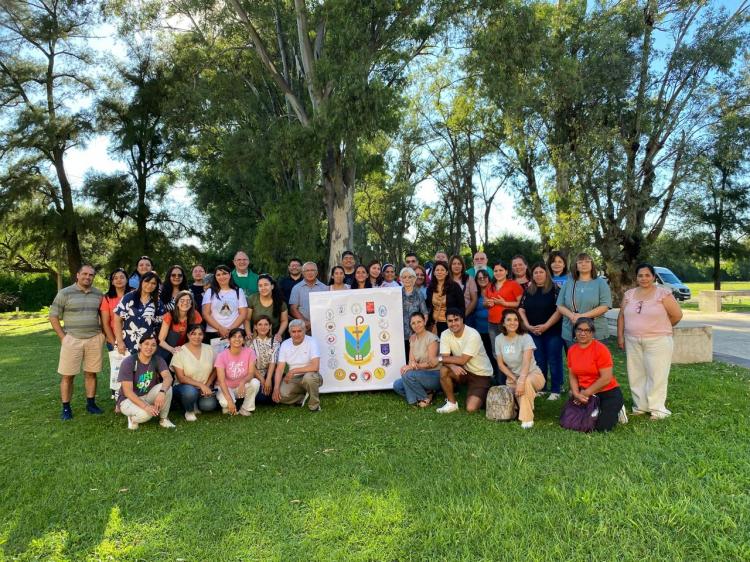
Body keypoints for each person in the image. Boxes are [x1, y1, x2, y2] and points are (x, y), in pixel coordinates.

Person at [617, 263, 683, 420]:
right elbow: (622, 316)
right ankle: (640, 406)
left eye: (647, 275)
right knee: (636, 373)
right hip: (632, 340)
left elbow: (677, 315)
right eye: (640, 275)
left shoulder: (663, 294)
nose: (644, 278)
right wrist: (620, 336)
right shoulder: (629, 294)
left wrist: (662, 327)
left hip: (658, 340)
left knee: (657, 374)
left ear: (653, 277)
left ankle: (657, 409)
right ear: (636, 277)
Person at [49, 264, 105, 420]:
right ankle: (66, 408)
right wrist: (63, 337)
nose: (88, 277)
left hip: (94, 339)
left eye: (91, 275)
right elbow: (53, 316)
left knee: (91, 373)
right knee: (68, 375)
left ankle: (91, 404)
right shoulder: (65, 293)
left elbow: (104, 315)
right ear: (77, 275)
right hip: (72, 339)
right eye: (85, 274)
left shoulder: (98, 294)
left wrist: (102, 334)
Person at [567, 317, 624, 432]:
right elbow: (572, 374)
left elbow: (606, 378)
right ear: (575, 331)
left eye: (587, 330)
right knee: (571, 422)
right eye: (579, 330)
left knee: (602, 428)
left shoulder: (601, 349)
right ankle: (595, 410)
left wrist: (586, 393)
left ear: (592, 333)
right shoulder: (572, 350)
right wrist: (576, 393)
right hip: (584, 392)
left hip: (607, 392)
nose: (582, 333)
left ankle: (618, 410)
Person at [518, 263, 564, 400]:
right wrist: (527, 325)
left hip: (553, 331)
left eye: (541, 272)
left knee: (554, 359)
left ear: (546, 274)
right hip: (533, 331)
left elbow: (559, 310)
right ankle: (542, 387)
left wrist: (546, 326)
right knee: (539, 360)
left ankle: (556, 389)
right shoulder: (528, 290)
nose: (538, 275)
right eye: (535, 272)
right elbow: (521, 309)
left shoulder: (555, 289)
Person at [495, 309, 546, 429]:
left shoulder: (526, 337)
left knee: (526, 384)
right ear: (503, 323)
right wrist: (515, 378)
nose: (513, 322)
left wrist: (521, 381)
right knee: (520, 397)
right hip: (513, 378)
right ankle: (526, 402)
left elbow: (526, 362)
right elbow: (501, 364)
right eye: (509, 320)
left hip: (533, 375)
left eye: (515, 320)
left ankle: (527, 418)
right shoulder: (499, 339)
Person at [436, 308, 494, 414]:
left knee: (471, 408)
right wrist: (452, 366)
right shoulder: (445, 333)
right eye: (450, 321)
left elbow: (462, 360)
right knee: (444, 370)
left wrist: (439, 358)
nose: (453, 323)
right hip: (464, 371)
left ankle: (489, 390)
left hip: (481, 374)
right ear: (446, 322)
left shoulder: (473, 334)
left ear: (462, 320)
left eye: (456, 320)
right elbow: (445, 357)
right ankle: (452, 404)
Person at [117, 332, 175, 430]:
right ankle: (132, 418)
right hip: (128, 399)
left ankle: (164, 419)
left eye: (153, 345)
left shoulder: (157, 359)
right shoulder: (129, 362)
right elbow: (127, 392)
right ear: (140, 345)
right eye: (146, 344)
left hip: (147, 395)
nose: (149, 347)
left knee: (167, 388)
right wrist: (146, 407)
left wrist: (162, 392)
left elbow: (168, 377)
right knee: (147, 415)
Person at [556, 252, 612, 346]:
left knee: (595, 360)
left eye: (587, 261)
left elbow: (605, 306)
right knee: (575, 360)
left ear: (592, 265)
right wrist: (571, 316)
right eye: (580, 262)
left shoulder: (601, 283)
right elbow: (559, 305)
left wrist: (582, 317)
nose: (584, 264)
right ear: (576, 266)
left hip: (596, 332)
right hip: (572, 332)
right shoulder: (568, 283)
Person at [272, 319, 323, 412]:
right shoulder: (285, 344)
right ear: (289, 332)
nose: (296, 334)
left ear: (305, 331)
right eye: (293, 331)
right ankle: (302, 398)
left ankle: (314, 406)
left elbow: (315, 366)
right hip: (294, 378)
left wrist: (293, 371)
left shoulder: (312, 341)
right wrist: (276, 388)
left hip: (310, 374)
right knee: (281, 396)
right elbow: (280, 369)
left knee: (309, 378)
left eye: (299, 331)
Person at [171, 324, 218, 420]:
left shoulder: (209, 349)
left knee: (209, 405)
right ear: (188, 335)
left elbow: (216, 369)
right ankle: (189, 411)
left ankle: (196, 402)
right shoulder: (180, 352)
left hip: (205, 387)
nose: (197, 337)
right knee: (190, 392)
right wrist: (201, 385)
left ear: (203, 335)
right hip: (185, 387)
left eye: (200, 334)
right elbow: (181, 378)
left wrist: (207, 385)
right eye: (193, 334)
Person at [393, 312, 441, 407]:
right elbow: (411, 361)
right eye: (413, 323)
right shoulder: (412, 339)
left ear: (424, 322)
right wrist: (410, 366)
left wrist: (415, 366)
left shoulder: (432, 339)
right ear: (410, 325)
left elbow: (432, 363)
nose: (416, 325)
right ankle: (428, 393)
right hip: (419, 374)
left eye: (419, 322)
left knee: (408, 375)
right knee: (397, 385)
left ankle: (423, 398)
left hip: (434, 374)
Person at [114, 272, 165, 355]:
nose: (149, 285)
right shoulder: (129, 297)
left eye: (153, 283)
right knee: (126, 367)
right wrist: (120, 342)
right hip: (127, 342)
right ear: (141, 281)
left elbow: (161, 325)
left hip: (147, 347)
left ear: (156, 286)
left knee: (146, 368)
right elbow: (117, 320)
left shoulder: (157, 303)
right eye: (147, 281)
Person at [214, 327, 261, 416]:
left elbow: (251, 373)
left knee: (255, 382)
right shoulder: (221, 356)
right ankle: (228, 406)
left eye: (240, 337)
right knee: (225, 403)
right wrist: (229, 401)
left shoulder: (250, 352)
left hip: (241, 386)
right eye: (234, 336)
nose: (237, 339)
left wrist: (243, 382)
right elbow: (221, 381)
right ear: (229, 339)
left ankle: (245, 408)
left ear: (243, 340)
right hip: (226, 387)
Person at [202, 265, 248, 343]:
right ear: (215, 277)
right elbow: (206, 314)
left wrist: (230, 330)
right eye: (218, 275)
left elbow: (243, 314)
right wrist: (220, 328)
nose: (221, 277)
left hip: (236, 332)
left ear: (230, 275)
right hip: (214, 332)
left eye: (224, 274)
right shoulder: (210, 292)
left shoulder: (238, 291)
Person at [485, 261, 523, 353]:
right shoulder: (490, 286)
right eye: (495, 271)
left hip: (509, 323)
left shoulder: (514, 284)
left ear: (506, 271)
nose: (498, 273)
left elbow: (521, 303)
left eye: (501, 270)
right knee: (496, 351)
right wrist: (488, 304)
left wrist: (505, 303)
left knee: (509, 351)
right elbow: (485, 303)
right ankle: (499, 367)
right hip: (492, 323)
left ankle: (510, 368)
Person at [470, 269, 500, 380]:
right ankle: (489, 376)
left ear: (489, 277)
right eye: (479, 278)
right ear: (476, 280)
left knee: (496, 353)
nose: (482, 279)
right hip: (479, 329)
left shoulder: (495, 290)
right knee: (485, 353)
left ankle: (499, 376)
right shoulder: (475, 294)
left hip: (494, 327)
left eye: (485, 277)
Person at [158, 290, 203, 364]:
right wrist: (173, 350)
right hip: (169, 350)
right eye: (182, 300)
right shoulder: (169, 315)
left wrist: (184, 349)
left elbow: (197, 335)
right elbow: (161, 341)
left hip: (188, 349)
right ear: (177, 303)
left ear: (191, 304)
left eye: (188, 301)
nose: (185, 303)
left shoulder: (195, 315)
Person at [426, 260, 465, 335]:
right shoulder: (430, 288)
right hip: (435, 323)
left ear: (447, 272)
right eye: (437, 270)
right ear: (434, 273)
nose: (439, 272)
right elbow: (428, 305)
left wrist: (461, 323)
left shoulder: (454, 286)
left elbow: (461, 306)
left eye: (442, 270)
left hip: (451, 323)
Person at [246, 274, 288, 340]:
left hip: (274, 336)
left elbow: (284, 320)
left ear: (272, 286)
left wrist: (279, 334)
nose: (263, 288)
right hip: (255, 336)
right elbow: (247, 319)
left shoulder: (280, 302)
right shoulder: (252, 299)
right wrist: (248, 333)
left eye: (266, 285)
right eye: (260, 286)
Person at [289, 261, 327, 334]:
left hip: (321, 326)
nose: (310, 273)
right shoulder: (296, 288)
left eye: (312, 270)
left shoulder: (324, 288)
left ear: (317, 272)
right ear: (303, 273)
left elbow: (327, 308)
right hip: (304, 328)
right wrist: (305, 322)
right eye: (307, 270)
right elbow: (293, 309)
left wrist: (315, 323)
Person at [249, 315, 280, 405]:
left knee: (271, 394)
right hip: (256, 374)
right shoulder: (249, 342)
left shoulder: (275, 341)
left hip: (270, 374)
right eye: (260, 324)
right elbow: (250, 365)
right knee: (261, 398)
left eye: (266, 324)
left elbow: (273, 361)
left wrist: (268, 379)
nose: (263, 327)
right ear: (255, 327)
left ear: (270, 326)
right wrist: (262, 380)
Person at [400, 267, 428, 360]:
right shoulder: (396, 293)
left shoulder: (419, 294)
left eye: (410, 277)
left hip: (415, 333)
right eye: (404, 277)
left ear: (414, 279)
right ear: (400, 279)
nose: (407, 279)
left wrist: (419, 331)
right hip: (399, 334)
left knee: (414, 360)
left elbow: (425, 314)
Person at [100, 268, 131, 351]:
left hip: (133, 339)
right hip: (114, 339)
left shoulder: (134, 294)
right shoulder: (107, 298)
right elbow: (105, 323)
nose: (119, 280)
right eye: (115, 278)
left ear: (127, 280)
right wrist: (115, 343)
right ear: (112, 282)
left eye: (122, 277)